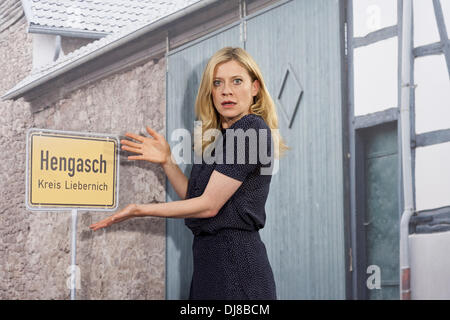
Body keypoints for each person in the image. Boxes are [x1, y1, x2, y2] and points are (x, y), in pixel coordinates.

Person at [90, 47, 288, 300]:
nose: (226, 90)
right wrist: (167, 161)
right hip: (209, 264)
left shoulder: (252, 128)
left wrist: (140, 209)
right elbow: (194, 197)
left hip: (237, 267)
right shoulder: (217, 139)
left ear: (255, 88)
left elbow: (208, 206)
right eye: (218, 83)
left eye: (237, 81)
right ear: (211, 91)